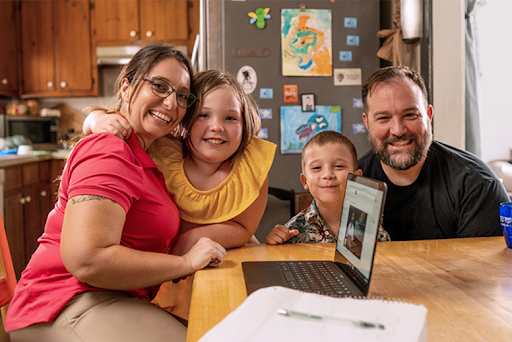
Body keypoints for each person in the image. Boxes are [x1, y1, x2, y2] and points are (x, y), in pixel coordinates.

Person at [5, 44, 226, 342]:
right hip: (64, 303)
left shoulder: (156, 154)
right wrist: (185, 264)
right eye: (159, 86)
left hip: (114, 299)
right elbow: (88, 260)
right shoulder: (109, 149)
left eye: (183, 96)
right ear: (127, 85)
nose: (171, 103)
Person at [84, 70, 276, 318]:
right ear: (184, 120)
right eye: (204, 115)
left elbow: (243, 228)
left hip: (221, 265)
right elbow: (116, 122)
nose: (216, 127)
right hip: (162, 275)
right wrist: (95, 119)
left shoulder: (251, 166)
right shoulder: (162, 151)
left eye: (230, 118)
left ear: (245, 123)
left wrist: (193, 238)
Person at [359, 66, 509, 241]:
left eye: (410, 115)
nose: (398, 130)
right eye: (384, 118)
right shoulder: (353, 181)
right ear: (367, 122)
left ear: (429, 116)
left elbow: (488, 267)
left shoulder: (475, 184)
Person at [265, 130, 390, 244]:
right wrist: (274, 244)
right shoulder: (292, 232)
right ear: (305, 181)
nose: (327, 175)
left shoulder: (370, 228)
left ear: (356, 179)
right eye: (316, 168)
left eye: (339, 166)